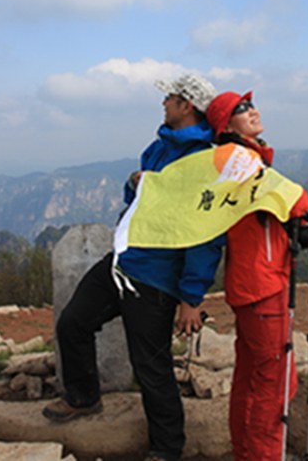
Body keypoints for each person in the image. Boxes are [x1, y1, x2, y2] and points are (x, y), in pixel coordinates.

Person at [43, 73, 225, 461]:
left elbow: (205, 236)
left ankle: (167, 449)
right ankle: (84, 396)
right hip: (124, 261)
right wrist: (133, 182)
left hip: (156, 278)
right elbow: (139, 201)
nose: (163, 103)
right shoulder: (159, 147)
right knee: (73, 322)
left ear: (186, 105)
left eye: (169, 97)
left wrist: (191, 297)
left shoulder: (202, 161)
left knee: (151, 367)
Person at [204, 90, 308, 461]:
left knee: (253, 377)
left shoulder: (242, 157)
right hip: (261, 283)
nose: (252, 111)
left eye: (251, 104)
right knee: (274, 382)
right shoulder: (234, 158)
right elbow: (296, 199)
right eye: (241, 108)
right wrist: (295, 213)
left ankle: (248, 452)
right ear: (225, 124)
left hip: (259, 280)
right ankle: (263, 456)